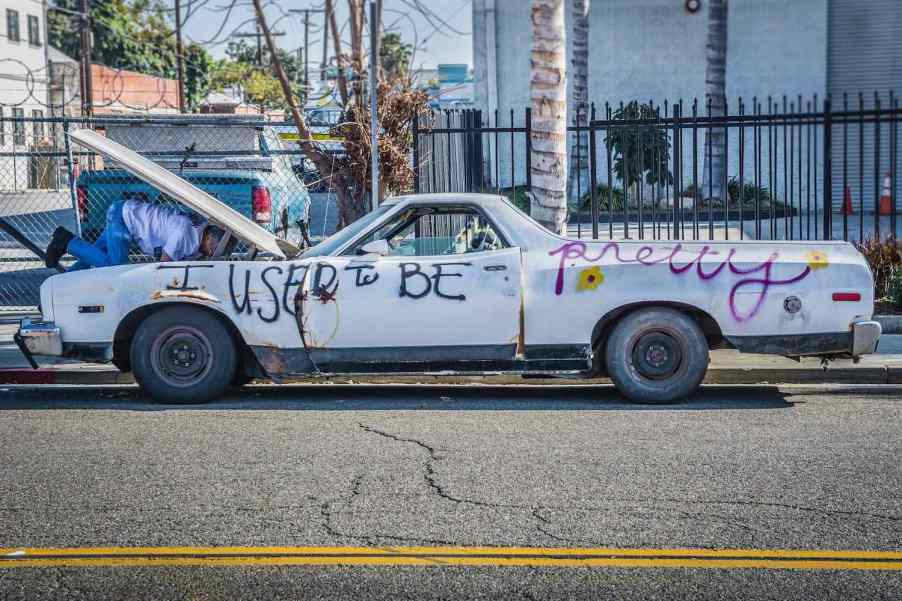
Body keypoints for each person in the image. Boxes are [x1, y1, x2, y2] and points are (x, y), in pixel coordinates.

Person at [44, 199, 231, 270]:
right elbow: (164, 264)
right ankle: (66, 240)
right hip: (125, 219)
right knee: (114, 265)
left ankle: (62, 286)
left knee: (92, 257)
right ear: (207, 238)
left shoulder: (201, 228)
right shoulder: (185, 234)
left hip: (127, 214)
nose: (212, 253)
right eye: (213, 248)